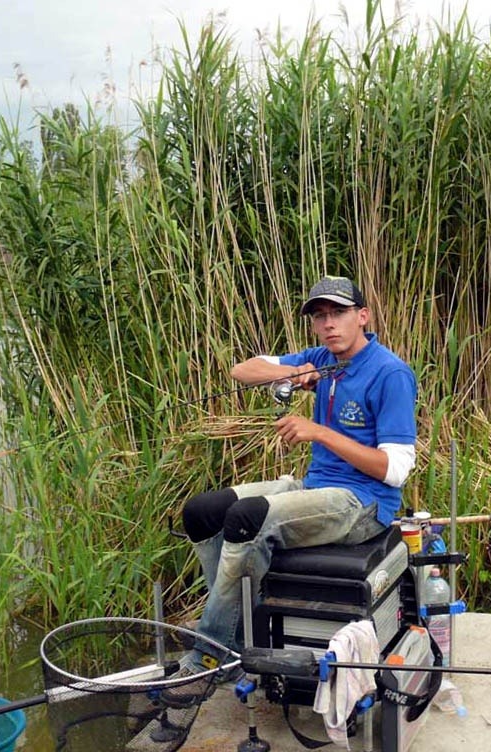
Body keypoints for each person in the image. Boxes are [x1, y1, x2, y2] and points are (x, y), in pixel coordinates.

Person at [170, 275, 417, 697]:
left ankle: (211, 653)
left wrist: (318, 432)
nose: (329, 324)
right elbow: (242, 369)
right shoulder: (322, 357)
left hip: (363, 505)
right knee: (202, 513)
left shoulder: (390, 373)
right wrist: (293, 370)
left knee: (248, 519)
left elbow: (395, 470)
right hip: (314, 487)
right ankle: (232, 635)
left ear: (363, 316)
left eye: (338, 313)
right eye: (320, 317)